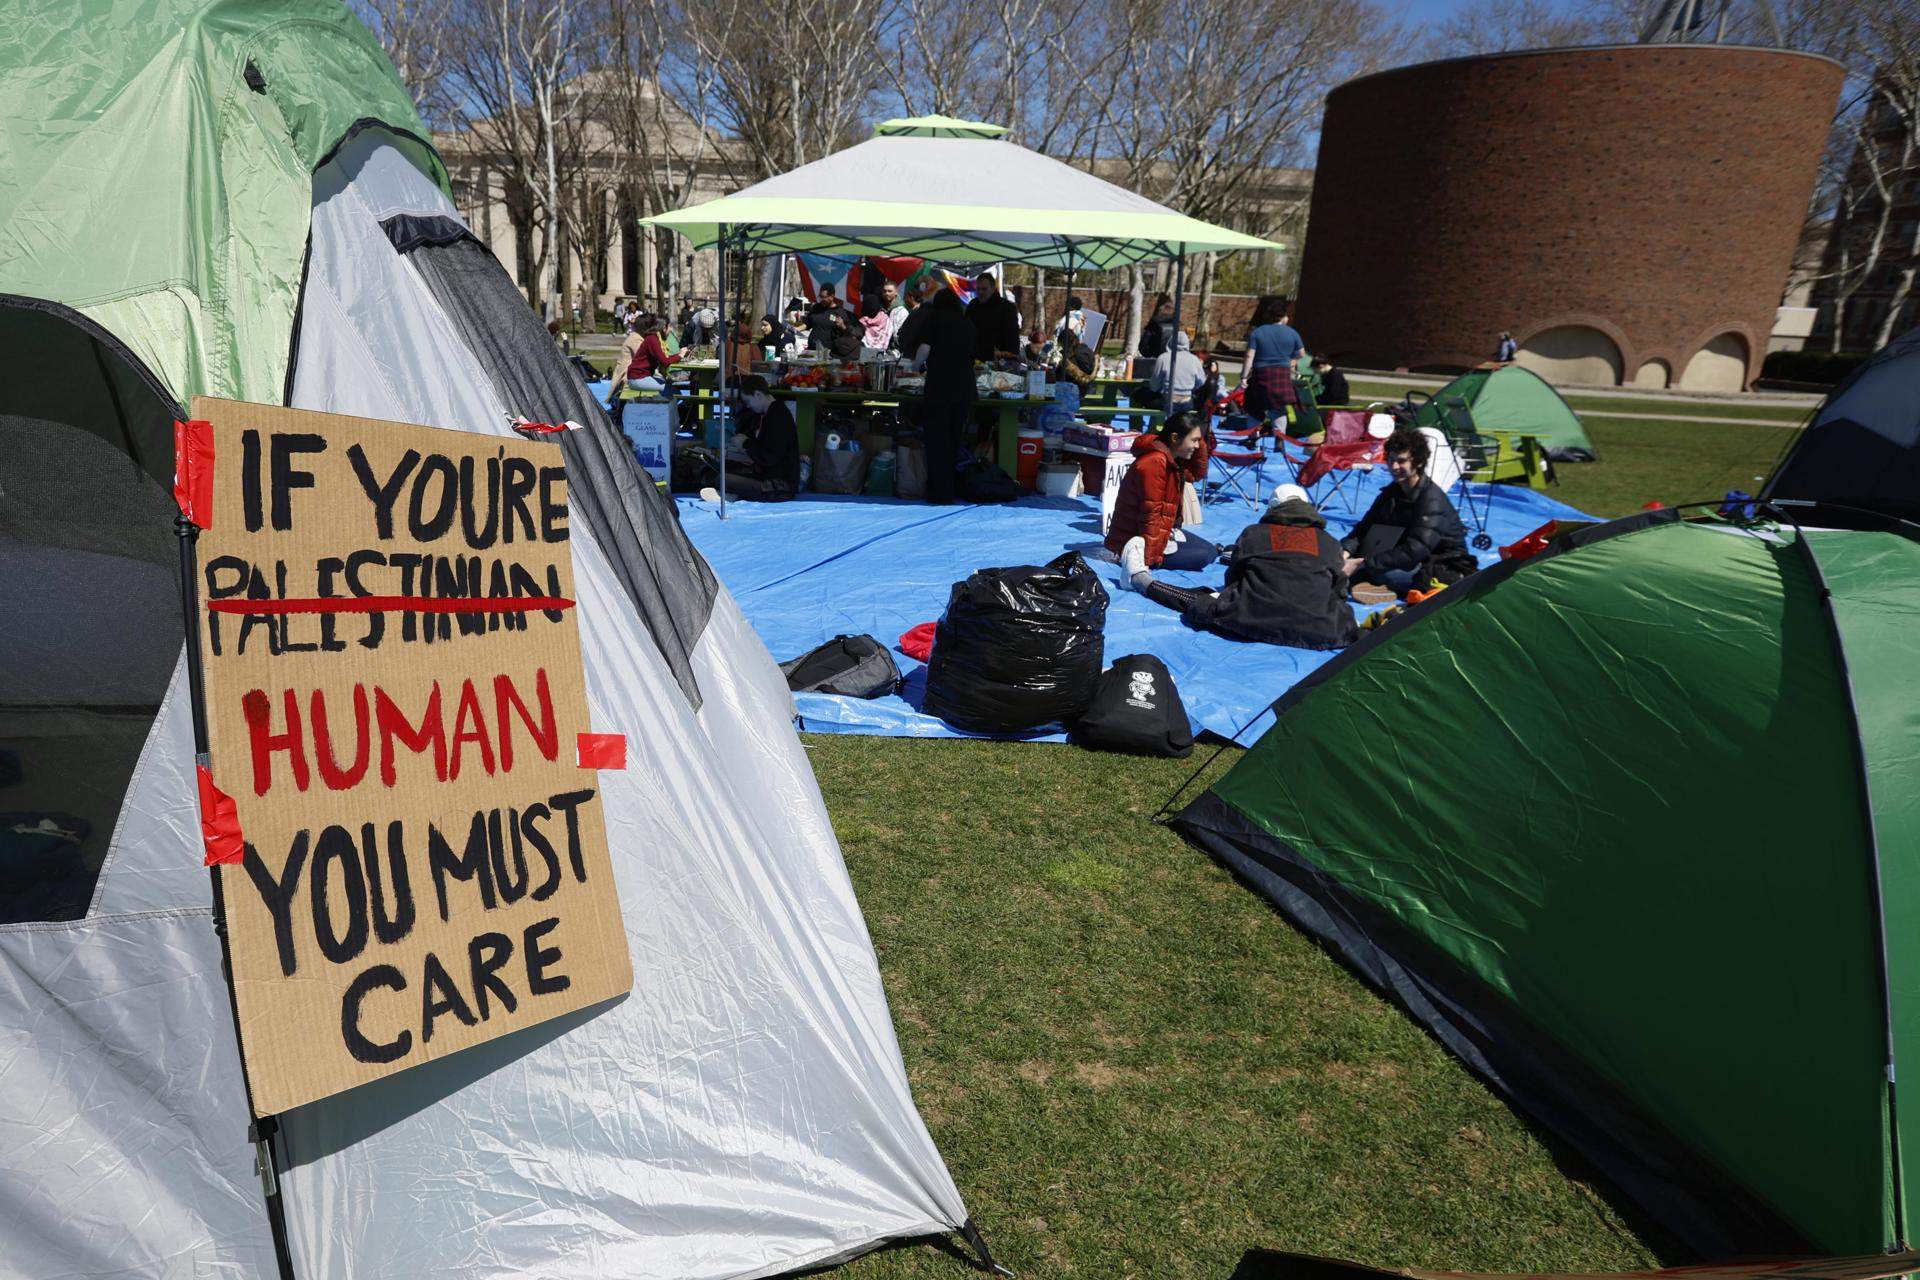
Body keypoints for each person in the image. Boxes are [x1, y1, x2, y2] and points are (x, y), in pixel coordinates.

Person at [1126, 484, 1357, 650]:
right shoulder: (1329, 543)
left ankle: (1142, 581)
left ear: (1272, 508)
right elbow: (1339, 590)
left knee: (1199, 601)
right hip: (1325, 630)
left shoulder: (1255, 534)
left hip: (1252, 619)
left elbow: (1232, 580)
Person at [1341, 429, 1477, 596]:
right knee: (1333, 560)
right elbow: (1365, 527)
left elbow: (1416, 550)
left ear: (1419, 462)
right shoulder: (1392, 492)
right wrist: (1345, 551)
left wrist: (1362, 563)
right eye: (1390, 460)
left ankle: (1380, 586)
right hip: (1400, 553)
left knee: (1384, 572)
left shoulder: (1432, 500)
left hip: (1441, 565)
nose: (1394, 466)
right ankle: (1372, 585)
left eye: (1401, 461)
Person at [1108, 414, 1219, 574]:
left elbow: (1196, 473)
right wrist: (1147, 561)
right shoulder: (1155, 462)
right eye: (1194, 440)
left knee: (1209, 550)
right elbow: (1150, 514)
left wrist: (1197, 436)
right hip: (1135, 541)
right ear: (1174, 438)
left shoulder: (1173, 458)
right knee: (1204, 555)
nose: (1196, 446)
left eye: (1198, 441)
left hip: (1162, 532)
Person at [907, 287, 976, 504]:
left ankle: (939, 491)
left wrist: (915, 368)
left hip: (939, 386)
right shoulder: (968, 324)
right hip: (964, 387)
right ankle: (952, 488)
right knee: (955, 440)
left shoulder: (933, 319)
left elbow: (924, 349)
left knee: (937, 440)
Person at [698, 374, 799, 501]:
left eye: (748, 401)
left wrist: (745, 444)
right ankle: (734, 492)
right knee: (720, 470)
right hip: (766, 475)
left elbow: (769, 457)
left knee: (722, 479)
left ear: (758, 395)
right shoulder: (767, 413)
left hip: (778, 485)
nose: (747, 406)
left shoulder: (778, 417)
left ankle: (732, 494)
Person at [1240, 295, 1305, 435]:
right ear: (1284, 317)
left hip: (1261, 375)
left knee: (1254, 407)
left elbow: (1249, 355)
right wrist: (1289, 362)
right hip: (1282, 375)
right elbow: (1301, 353)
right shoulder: (1292, 333)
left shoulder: (1257, 332)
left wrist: (1244, 377)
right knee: (1279, 409)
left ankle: (1252, 437)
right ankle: (1280, 439)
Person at [608, 314, 680, 403]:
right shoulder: (652, 339)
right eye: (669, 327)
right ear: (664, 327)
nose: (670, 330)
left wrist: (678, 355)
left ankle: (659, 407)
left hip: (641, 376)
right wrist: (680, 356)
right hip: (637, 378)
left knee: (670, 387)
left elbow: (664, 358)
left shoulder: (654, 338)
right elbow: (664, 361)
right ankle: (658, 410)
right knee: (674, 392)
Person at [1149, 329, 1208, 413]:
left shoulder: (1163, 358)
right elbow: (1202, 383)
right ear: (1187, 343)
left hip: (1167, 402)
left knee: (1137, 393)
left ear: (1170, 342)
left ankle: (1139, 424)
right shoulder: (1194, 360)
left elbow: (1154, 386)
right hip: (1187, 403)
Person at [966, 272, 1021, 360]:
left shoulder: (1006, 308)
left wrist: (1010, 354)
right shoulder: (972, 306)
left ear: (993, 288)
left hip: (999, 360)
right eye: (978, 289)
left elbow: (1013, 336)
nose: (980, 292)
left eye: (984, 289)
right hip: (975, 358)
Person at [1053, 326, 1097, 413]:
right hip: (1089, 390)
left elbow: (1059, 376)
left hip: (1076, 395)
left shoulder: (1071, 357)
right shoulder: (1088, 351)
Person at [1137, 293, 1175, 360]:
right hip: (1171, 359)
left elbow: (1143, 345)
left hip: (1154, 358)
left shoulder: (1153, 324)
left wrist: (1149, 354)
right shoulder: (1175, 326)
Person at [883, 281, 908, 348]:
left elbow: (900, 334)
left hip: (893, 348)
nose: (886, 293)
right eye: (885, 291)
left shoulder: (902, 312)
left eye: (889, 291)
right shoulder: (881, 308)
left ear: (896, 293)